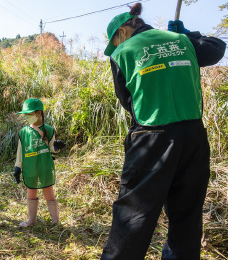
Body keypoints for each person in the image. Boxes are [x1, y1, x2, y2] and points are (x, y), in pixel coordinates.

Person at [101, 3, 226, 260]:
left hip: (151, 137)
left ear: (122, 32)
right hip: (193, 137)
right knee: (186, 214)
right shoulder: (182, 40)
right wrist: (190, 35)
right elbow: (216, 50)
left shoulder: (122, 53)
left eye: (113, 42)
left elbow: (127, 100)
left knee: (133, 215)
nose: (114, 47)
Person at [14, 98, 65, 227]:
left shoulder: (49, 130)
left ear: (38, 113)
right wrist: (17, 167)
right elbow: (20, 152)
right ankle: (31, 220)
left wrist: (57, 147)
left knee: (49, 191)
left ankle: (55, 222)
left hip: (44, 166)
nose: (27, 116)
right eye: (26, 114)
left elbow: (52, 148)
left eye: (29, 114)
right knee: (31, 191)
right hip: (30, 166)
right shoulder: (23, 132)